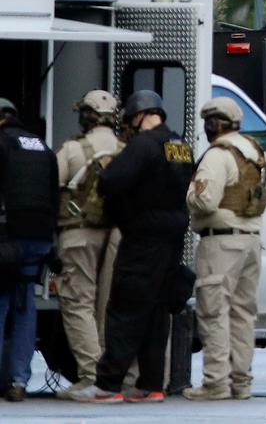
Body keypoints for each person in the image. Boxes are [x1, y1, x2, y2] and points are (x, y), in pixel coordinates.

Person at [69, 90, 193, 403]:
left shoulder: (143, 145)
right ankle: (150, 385)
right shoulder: (179, 145)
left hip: (143, 240)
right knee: (156, 313)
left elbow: (111, 180)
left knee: (125, 310)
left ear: (139, 115)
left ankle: (108, 385)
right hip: (173, 240)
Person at [183, 97, 266, 401]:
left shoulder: (217, 156)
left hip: (220, 242)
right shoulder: (257, 152)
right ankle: (241, 382)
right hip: (251, 241)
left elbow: (205, 200)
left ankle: (215, 383)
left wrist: (189, 195)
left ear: (213, 125)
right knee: (243, 314)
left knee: (214, 312)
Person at [53, 90, 124, 399]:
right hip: (116, 236)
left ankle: (90, 375)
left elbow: (49, 187)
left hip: (77, 233)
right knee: (106, 303)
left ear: (86, 117)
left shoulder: (72, 149)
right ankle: (108, 374)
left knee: (77, 301)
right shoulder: (126, 149)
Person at [0, 98, 58, 402]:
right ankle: (19, 381)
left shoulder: (2, 143)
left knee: (1, 304)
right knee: (24, 305)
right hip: (39, 238)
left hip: (8, 238)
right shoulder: (41, 146)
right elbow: (53, 192)